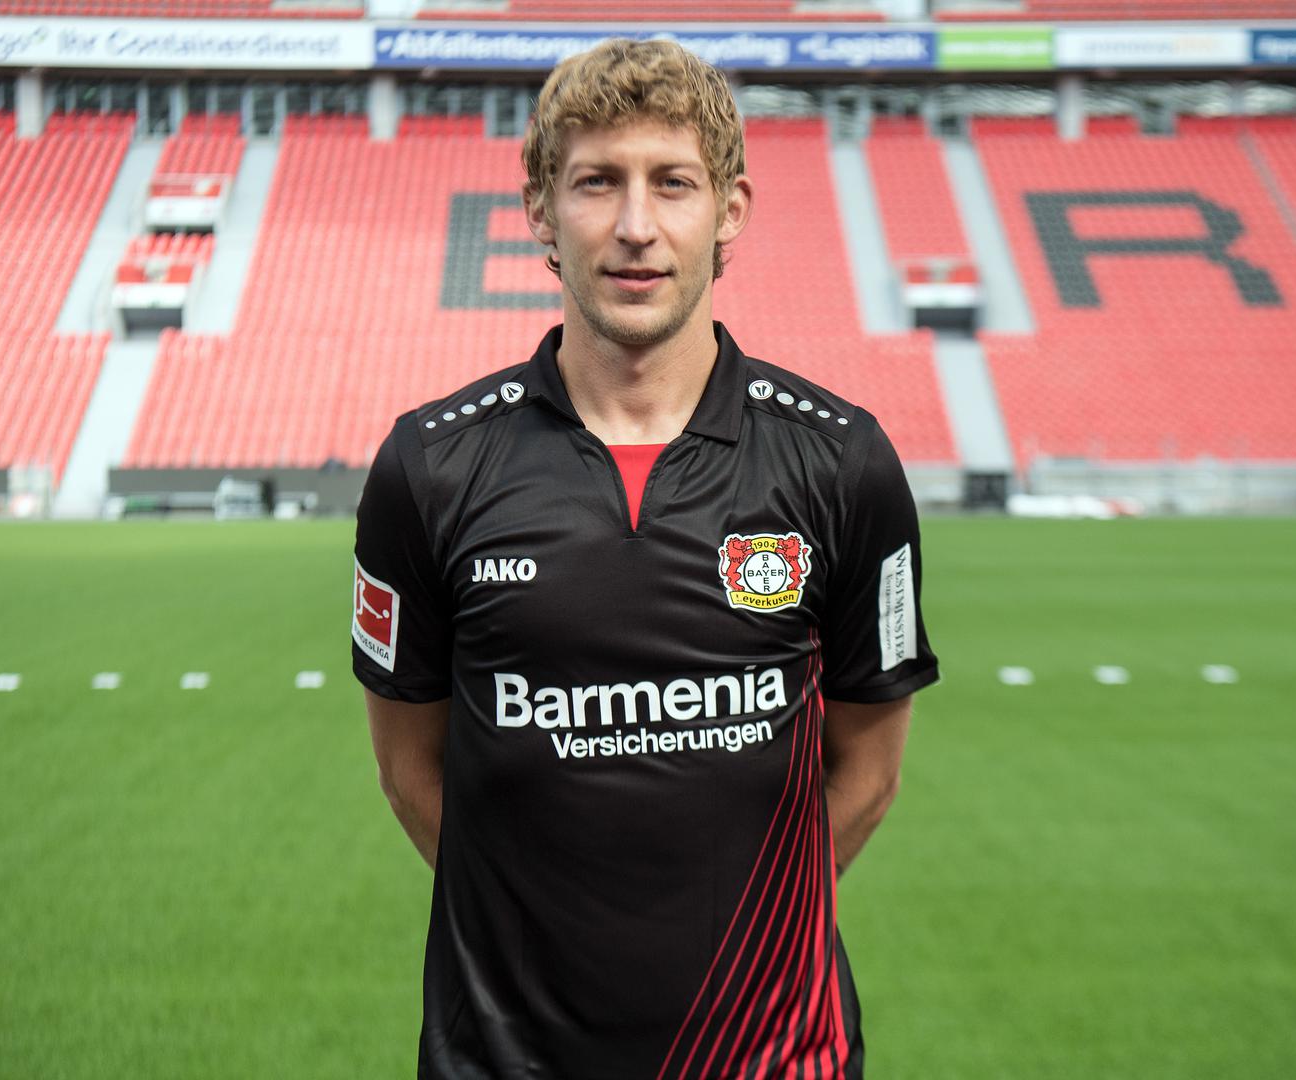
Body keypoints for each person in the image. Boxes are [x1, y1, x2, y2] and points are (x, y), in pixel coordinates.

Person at [352, 38, 938, 1079]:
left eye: (673, 182)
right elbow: (408, 770)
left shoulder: (842, 462)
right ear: (540, 210)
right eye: (596, 183)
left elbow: (869, 771)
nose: (635, 225)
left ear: (730, 211)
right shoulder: (428, 468)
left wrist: (746, 944)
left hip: (774, 1057)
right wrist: (543, 933)